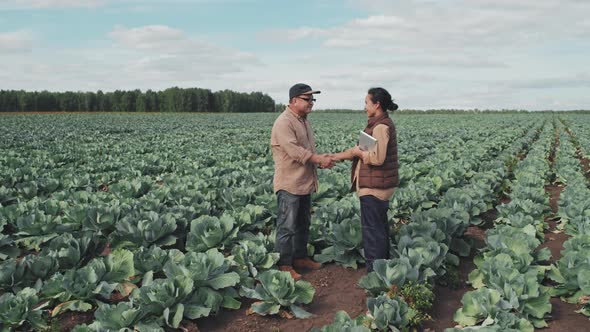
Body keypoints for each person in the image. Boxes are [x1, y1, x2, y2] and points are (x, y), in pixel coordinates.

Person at [270, 83, 335, 280]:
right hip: (289, 184)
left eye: (312, 99)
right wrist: (317, 159)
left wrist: (319, 159)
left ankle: (300, 257)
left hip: (303, 182)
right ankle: (284, 265)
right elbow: (295, 151)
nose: (311, 103)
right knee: (287, 226)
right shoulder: (284, 123)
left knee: (302, 224)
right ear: (294, 101)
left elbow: (307, 150)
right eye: (307, 99)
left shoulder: (303, 120)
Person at [331, 87, 399, 272]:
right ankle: (382, 269)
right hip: (375, 185)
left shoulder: (380, 127)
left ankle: (374, 274)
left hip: (375, 187)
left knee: (372, 233)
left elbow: (377, 158)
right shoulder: (375, 124)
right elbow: (360, 149)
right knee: (379, 230)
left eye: (366, 102)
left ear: (377, 104)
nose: (364, 107)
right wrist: (334, 157)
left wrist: (359, 153)